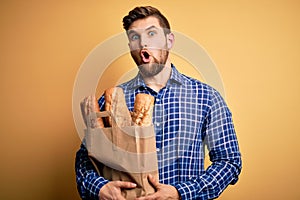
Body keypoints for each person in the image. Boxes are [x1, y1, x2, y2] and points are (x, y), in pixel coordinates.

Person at [75, 6, 242, 200]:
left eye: (151, 34)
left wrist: (180, 193)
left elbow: (229, 162)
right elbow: (85, 159)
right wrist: (100, 188)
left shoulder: (206, 98)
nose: (143, 43)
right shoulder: (109, 101)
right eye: (135, 37)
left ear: (169, 41)